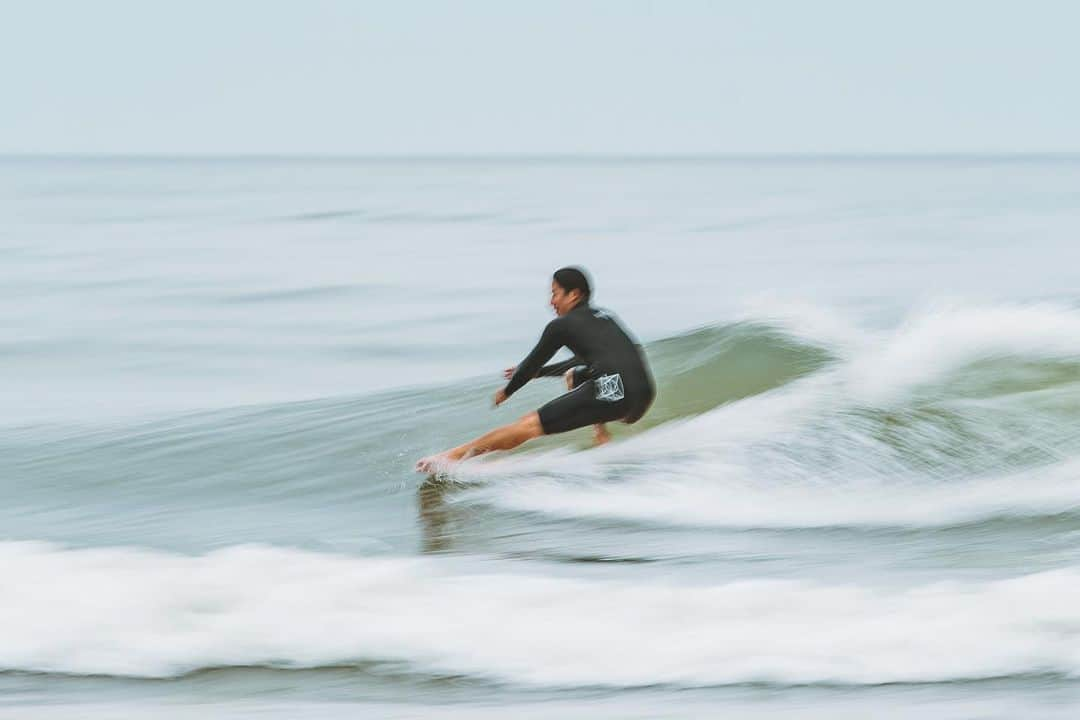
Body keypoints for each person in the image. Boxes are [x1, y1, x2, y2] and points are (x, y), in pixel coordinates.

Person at [415, 267, 655, 473]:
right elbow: (578, 362)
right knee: (575, 376)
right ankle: (601, 436)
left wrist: (508, 390)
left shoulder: (561, 325)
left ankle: (452, 458)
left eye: (555, 293)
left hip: (615, 391)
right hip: (643, 394)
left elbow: (532, 362)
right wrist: (537, 373)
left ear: (574, 295)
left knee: (530, 423)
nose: (551, 302)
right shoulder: (605, 318)